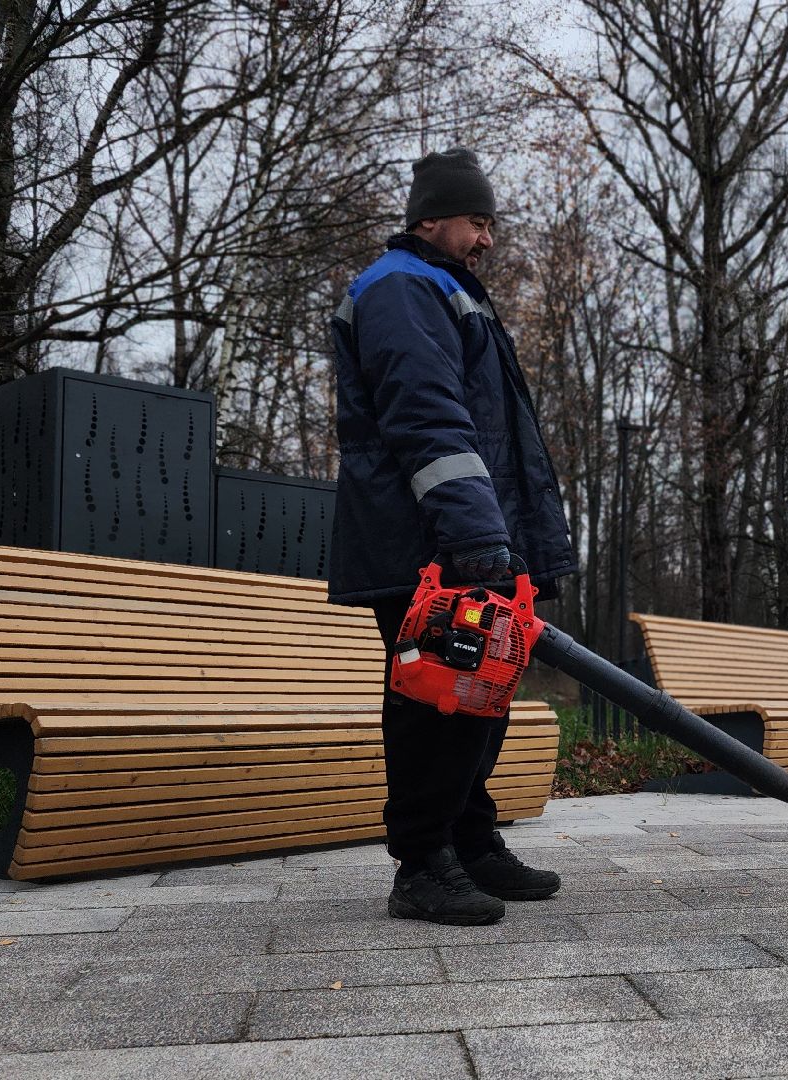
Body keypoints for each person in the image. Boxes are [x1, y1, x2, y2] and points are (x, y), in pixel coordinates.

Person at [329, 147, 577, 926]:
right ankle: (421, 863)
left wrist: (501, 540)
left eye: (490, 224)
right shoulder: (402, 287)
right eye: (477, 222)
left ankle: (470, 843)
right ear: (429, 219)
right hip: (425, 542)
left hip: (462, 537)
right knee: (435, 701)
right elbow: (427, 417)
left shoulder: (443, 290)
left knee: (479, 695)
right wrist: (473, 535)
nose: (488, 240)